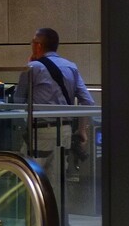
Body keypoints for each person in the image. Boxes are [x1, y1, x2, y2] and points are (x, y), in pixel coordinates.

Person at [13, 27, 95, 181]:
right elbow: (88, 102)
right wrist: (82, 130)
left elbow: (18, 100)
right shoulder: (71, 67)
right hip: (65, 131)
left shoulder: (32, 68)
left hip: (40, 132)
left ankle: (33, 206)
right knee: (56, 182)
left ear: (38, 45)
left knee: (29, 179)